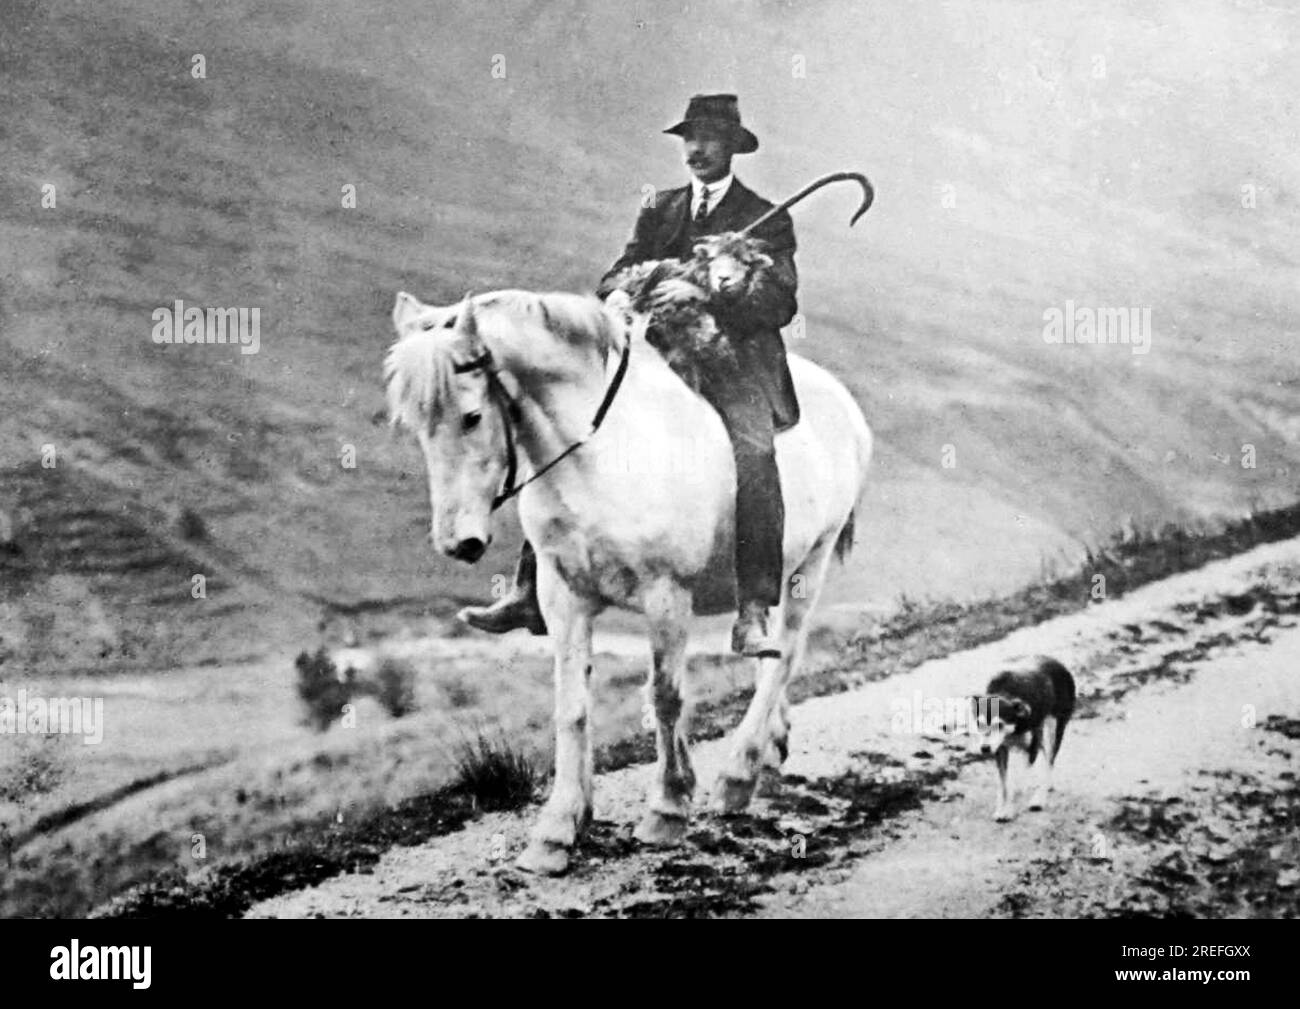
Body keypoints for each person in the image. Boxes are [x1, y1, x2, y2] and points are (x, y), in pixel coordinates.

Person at [459, 94, 800, 656]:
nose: (696, 148)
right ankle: (528, 590)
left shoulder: (765, 216)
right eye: (689, 138)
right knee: (571, 426)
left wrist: (719, 288)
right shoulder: (661, 208)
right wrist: (628, 287)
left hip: (733, 359)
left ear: (732, 147)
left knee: (755, 453)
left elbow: (780, 301)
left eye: (710, 138)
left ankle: (755, 608)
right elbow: (620, 269)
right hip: (659, 350)